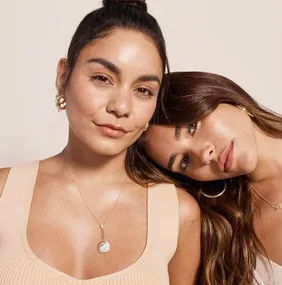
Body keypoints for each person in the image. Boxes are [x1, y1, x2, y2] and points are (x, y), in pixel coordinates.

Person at [0, 2, 201, 285]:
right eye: (102, 78)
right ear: (62, 76)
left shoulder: (179, 215)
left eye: (143, 90)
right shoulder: (4, 193)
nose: (121, 107)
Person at [140, 71, 282, 284]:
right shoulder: (223, 235)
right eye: (184, 161)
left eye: (192, 127)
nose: (203, 154)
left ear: (224, 97)